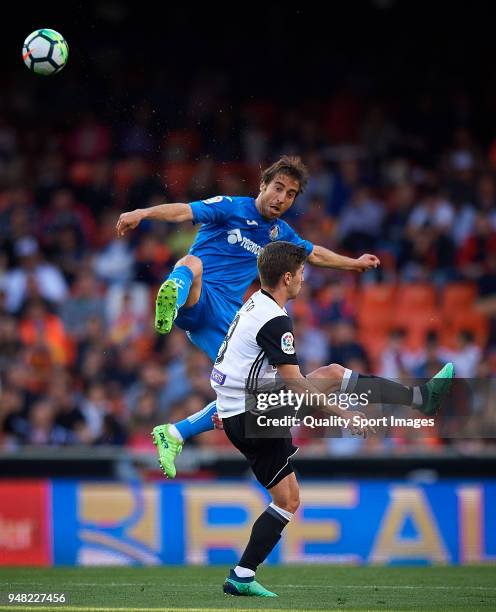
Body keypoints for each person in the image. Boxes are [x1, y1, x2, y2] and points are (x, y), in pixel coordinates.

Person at [211, 242, 454, 597]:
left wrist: (226, 404)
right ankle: (421, 399)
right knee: (332, 374)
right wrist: (344, 412)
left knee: (288, 498)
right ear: (288, 277)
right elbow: (294, 381)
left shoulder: (253, 305)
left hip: (241, 413)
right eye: (302, 274)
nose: (304, 280)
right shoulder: (276, 320)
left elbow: (231, 363)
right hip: (253, 415)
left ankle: (242, 575)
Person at [116, 156, 381, 477]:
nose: (281, 198)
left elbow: (315, 254)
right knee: (192, 264)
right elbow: (185, 210)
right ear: (263, 185)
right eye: (278, 188)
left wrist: (353, 263)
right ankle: (170, 302)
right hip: (199, 298)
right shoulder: (231, 207)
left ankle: (174, 433)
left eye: (290, 194)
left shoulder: (280, 233)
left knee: (251, 394)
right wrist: (142, 213)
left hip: (226, 321)